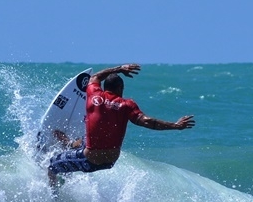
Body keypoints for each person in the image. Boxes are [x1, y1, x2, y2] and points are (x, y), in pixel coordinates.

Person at [48, 63, 195, 186]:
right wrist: (175, 125)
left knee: (51, 166)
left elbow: (95, 77)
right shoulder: (127, 105)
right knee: (85, 139)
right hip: (110, 161)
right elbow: (148, 122)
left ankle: (55, 198)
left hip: (90, 160)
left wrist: (119, 69)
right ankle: (71, 144)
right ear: (120, 89)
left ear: (105, 88)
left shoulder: (94, 95)